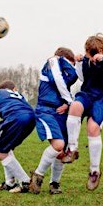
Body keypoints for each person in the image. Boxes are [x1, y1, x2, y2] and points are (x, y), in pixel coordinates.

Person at [62, 34, 103, 191]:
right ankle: (72, 149)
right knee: (75, 107)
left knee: (92, 129)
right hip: (86, 93)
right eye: (89, 53)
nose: (92, 56)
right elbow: (81, 77)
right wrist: (80, 63)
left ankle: (94, 170)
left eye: (96, 52)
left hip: (102, 98)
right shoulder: (84, 60)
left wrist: (101, 61)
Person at [29, 47, 78, 195]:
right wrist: (69, 101)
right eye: (70, 63)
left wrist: (67, 103)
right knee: (58, 145)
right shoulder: (53, 61)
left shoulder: (65, 74)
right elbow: (57, 79)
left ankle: (54, 183)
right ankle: (37, 176)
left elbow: (67, 84)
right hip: (46, 111)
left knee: (61, 151)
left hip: (59, 111)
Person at [0, 80, 36, 193]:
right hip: (31, 118)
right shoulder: (19, 96)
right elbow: (18, 109)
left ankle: (26, 182)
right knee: (7, 150)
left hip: (15, 118)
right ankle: (10, 183)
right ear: (14, 89)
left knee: (0, 153)